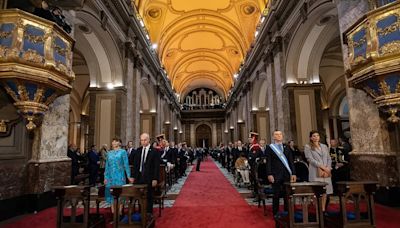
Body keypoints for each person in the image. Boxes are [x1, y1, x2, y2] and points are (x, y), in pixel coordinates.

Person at [266, 130, 296, 217]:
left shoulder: (287, 147)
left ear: (282, 136)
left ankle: (288, 212)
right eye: (276, 134)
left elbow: (291, 162)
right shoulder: (270, 147)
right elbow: (268, 162)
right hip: (275, 175)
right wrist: (269, 174)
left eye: (280, 134)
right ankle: (275, 213)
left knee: (288, 194)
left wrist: (293, 173)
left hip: (287, 174)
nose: (278, 136)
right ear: (273, 136)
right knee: (276, 195)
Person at [304, 130, 333, 211]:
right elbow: (310, 159)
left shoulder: (324, 146)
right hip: (315, 171)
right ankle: (317, 209)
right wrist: (323, 167)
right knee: (316, 192)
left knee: (325, 192)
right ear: (311, 138)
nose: (316, 137)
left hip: (326, 172)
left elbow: (328, 158)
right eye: (314, 136)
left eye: (317, 135)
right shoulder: (308, 146)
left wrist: (328, 168)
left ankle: (323, 209)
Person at [132, 133, 160, 216]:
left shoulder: (154, 151)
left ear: (149, 140)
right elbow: (135, 164)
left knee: (149, 195)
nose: (143, 142)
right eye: (141, 140)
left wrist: (155, 178)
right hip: (139, 176)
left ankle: (148, 212)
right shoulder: (138, 150)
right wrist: (133, 176)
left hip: (149, 177)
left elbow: (156, 166)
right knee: (139, 195)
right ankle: (141, 212)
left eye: (145, 140)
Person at [104, 138, 133, 214]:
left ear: (119, 143)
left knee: (120, 193)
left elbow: (126, 165)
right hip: (110, 176)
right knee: (111, 193)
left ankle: (120, 212)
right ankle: (113, 212)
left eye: (115, 141)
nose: (113, 142)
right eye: (113, 141)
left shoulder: (123, 152)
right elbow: (107, 166)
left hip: (120, 175)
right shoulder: (109, 153)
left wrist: (129, 176)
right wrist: (105, 177)